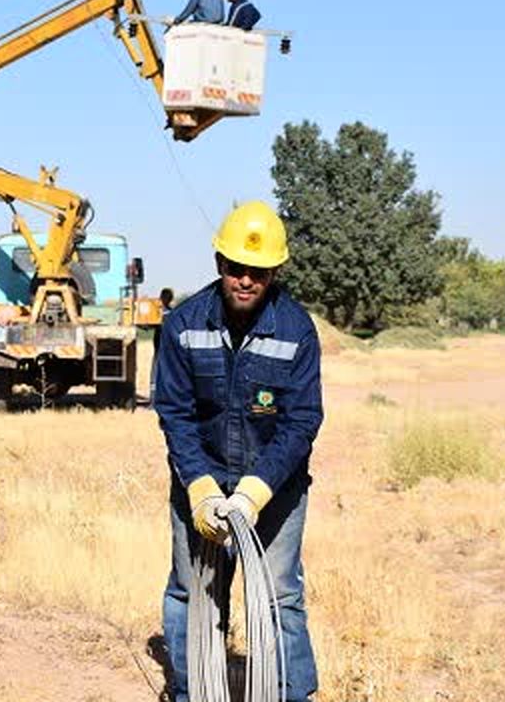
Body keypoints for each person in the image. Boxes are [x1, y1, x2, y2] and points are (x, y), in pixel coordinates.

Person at [153, 201, 322, 702]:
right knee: (193, 594)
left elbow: (302, 421)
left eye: (259, 271)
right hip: (200, 481)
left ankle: (293, 694)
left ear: (274, 273)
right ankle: (193, 693)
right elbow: (174, 411)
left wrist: (254, 491)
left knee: (279, 598)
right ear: (219, 265)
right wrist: (201, 488)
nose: (246, 280)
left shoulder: (295, 330)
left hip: (274, 490)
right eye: (236, 268)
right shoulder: (183, 325)